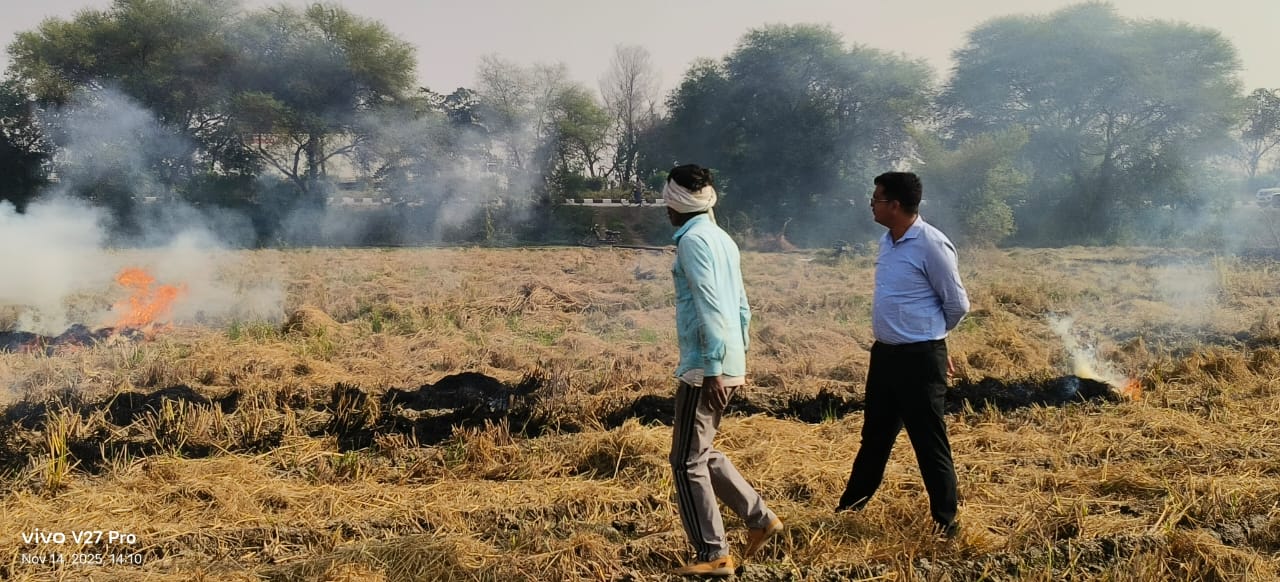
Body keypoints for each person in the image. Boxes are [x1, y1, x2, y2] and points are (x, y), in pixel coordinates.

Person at [836, 171, 969, 539]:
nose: (871, 205)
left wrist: (935, 341)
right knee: (874, 438)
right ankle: (848, 511)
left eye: (876, 199)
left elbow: (957, 304)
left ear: (894, 205)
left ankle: (946, 523)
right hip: (886, 356)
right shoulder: (887, 241)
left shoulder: (931, 244)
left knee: (929, 441)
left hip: (919, 360)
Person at [664, 164, 782, 577]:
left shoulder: (693, 242)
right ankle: (760, 519)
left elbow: (709, 305)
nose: (666, 209)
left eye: (668, 201)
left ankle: (713, 553)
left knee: (685, 463)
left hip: (705, 366)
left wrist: (714, 367)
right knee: (701, 452)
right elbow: (742, 306)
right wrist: (736, 357)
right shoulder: (721, 238)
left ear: (677, 204)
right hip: (726, 360)